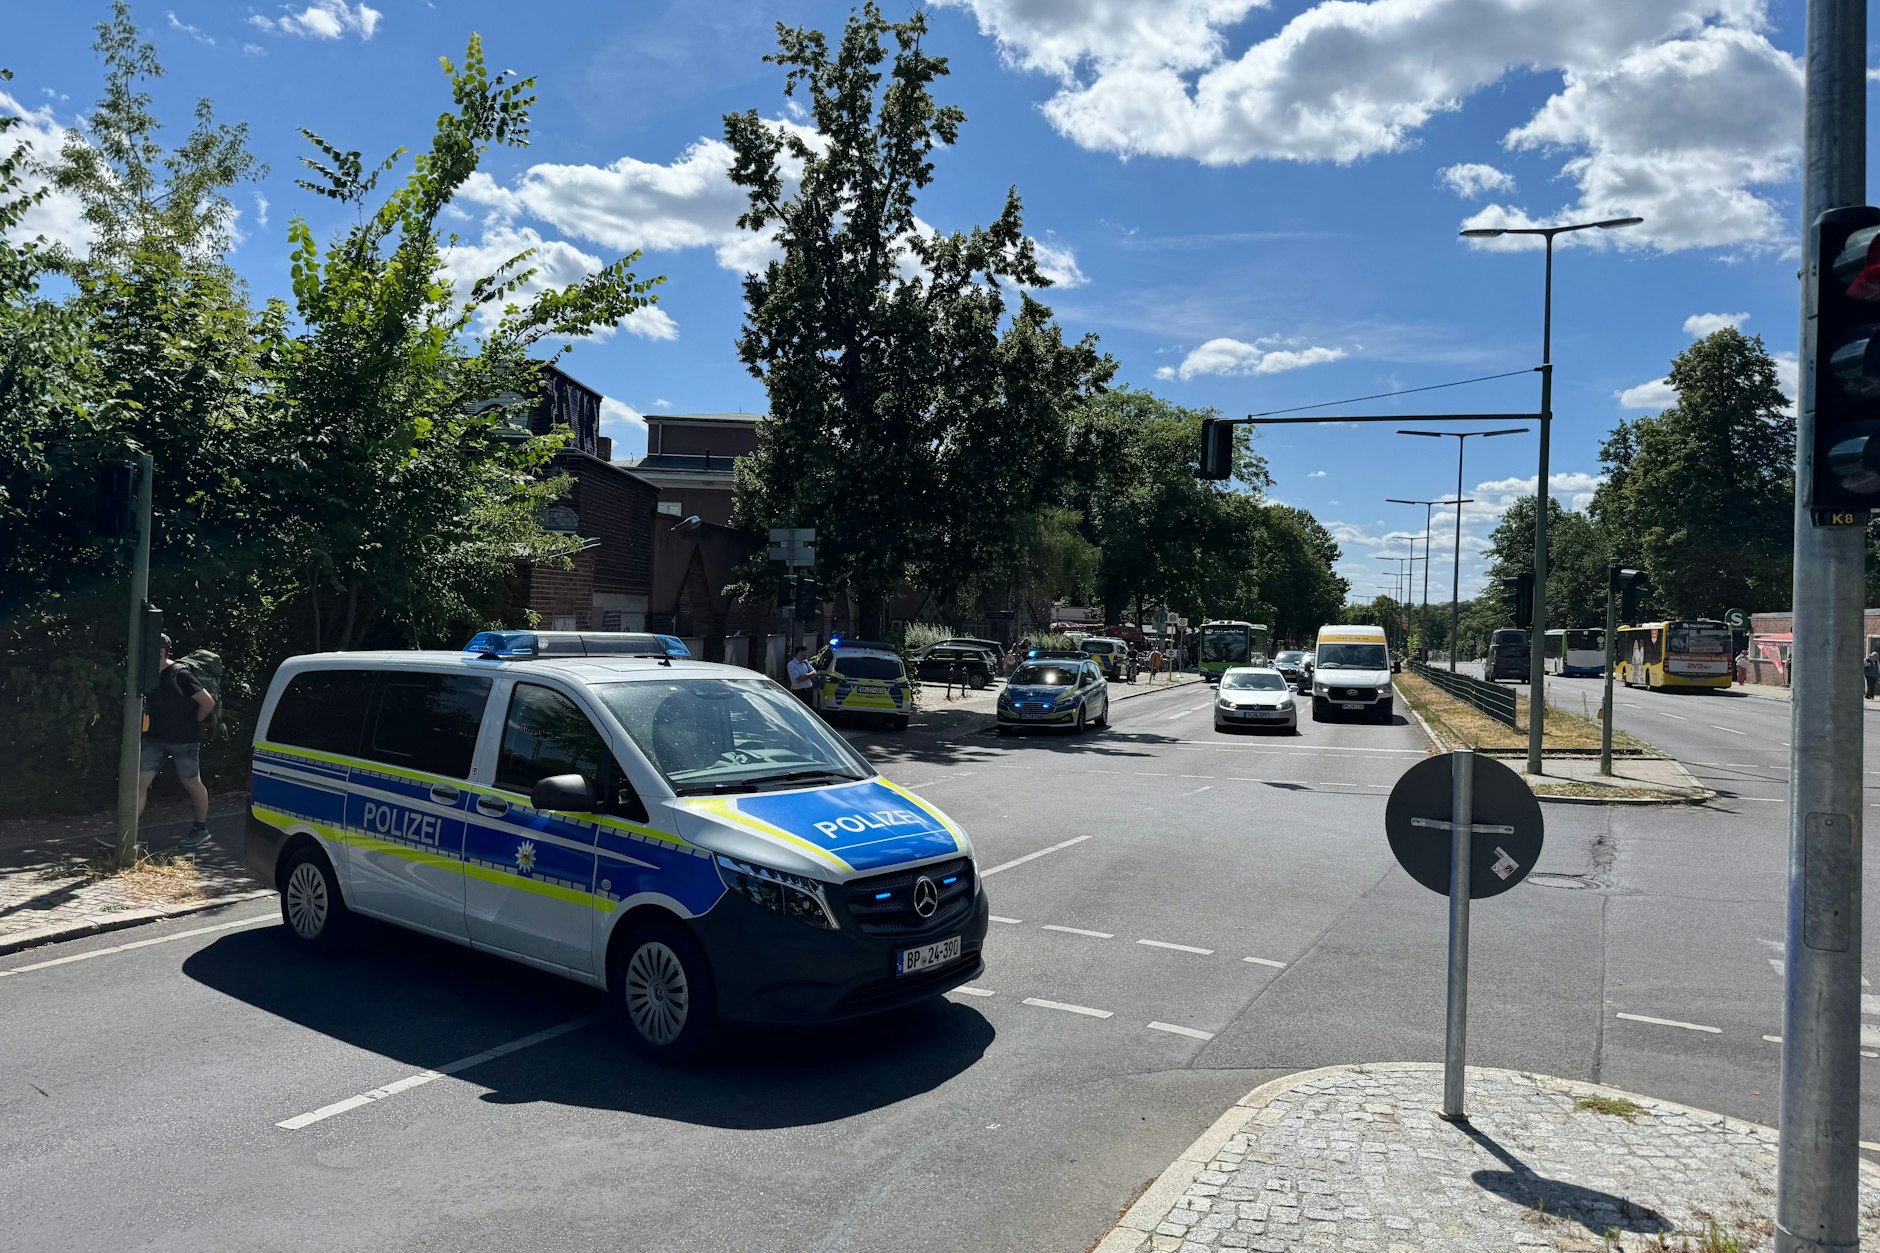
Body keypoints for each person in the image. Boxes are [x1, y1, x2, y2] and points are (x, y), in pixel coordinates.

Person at [140, 634, 217, 848]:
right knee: (139, 783)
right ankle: (127, 834)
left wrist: (194, 722)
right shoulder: (148, 674)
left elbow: (207, 702)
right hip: (155, 738)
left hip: (184, 740)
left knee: (192, 783)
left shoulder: (180, 673)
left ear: (162, 651)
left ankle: (201, 829)